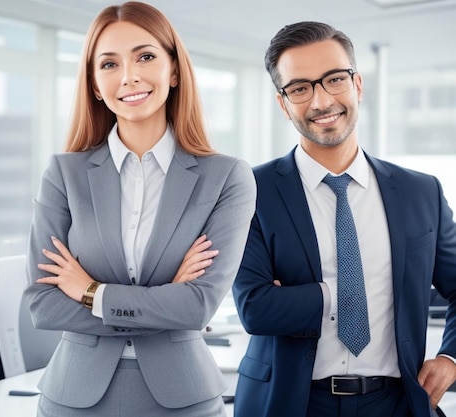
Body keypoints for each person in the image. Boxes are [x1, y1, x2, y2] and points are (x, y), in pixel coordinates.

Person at [22, 2, 256, 416]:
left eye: (145, 56)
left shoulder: (226, 177)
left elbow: (197, 306)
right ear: (95, 84)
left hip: (182, 398)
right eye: (109, 64)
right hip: (73, 398)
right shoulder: (64, 174)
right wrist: (164, 302)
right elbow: (44, 304)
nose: (128, 76)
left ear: (174, 69)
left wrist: (91, 291)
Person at [232, 20, 456, 417]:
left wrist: (451, 358)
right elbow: (255, 307)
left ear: (358, 85)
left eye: (334, 79)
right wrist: (342, 295)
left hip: (397, 401)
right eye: (300, 88)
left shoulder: (421, 192)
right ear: (283, 103)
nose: (320, 101)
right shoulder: (249, 191)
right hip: (289, 403)